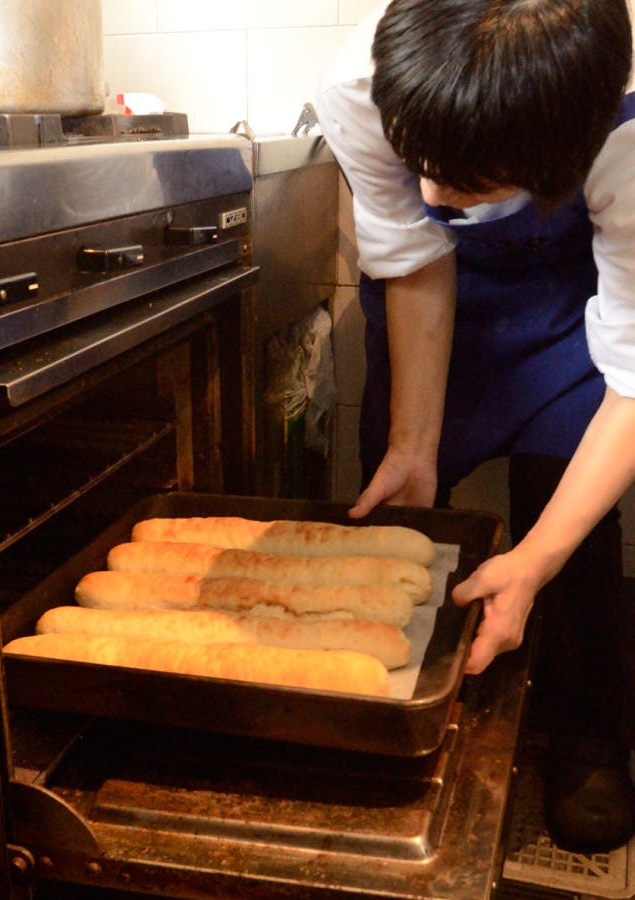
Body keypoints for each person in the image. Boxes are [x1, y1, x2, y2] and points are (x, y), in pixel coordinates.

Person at [315, 0, 635, 853]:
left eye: (468, 180)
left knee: (569, 512)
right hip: (431, 301)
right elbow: (417, 252)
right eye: (420, 163)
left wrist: (534, 561)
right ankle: (391, 712)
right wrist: (414, 445)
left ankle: (588, 737)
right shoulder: (361, 82)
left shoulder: (627, 128)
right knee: (400, 503)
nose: (430, 196)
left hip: (569, 300)